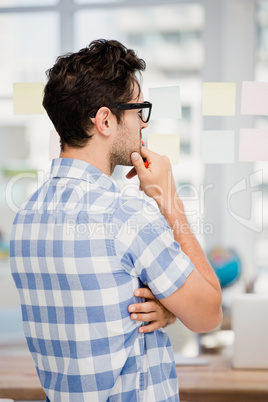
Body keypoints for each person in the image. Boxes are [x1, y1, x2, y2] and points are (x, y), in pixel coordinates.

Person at [10, 39, 222, 402]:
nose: (143, 123)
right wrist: (169, 201)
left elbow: (104, 315)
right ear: (106, 120)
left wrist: (168, 309)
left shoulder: (26, 218)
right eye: (139, 110)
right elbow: (208, 314)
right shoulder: (126, 216)